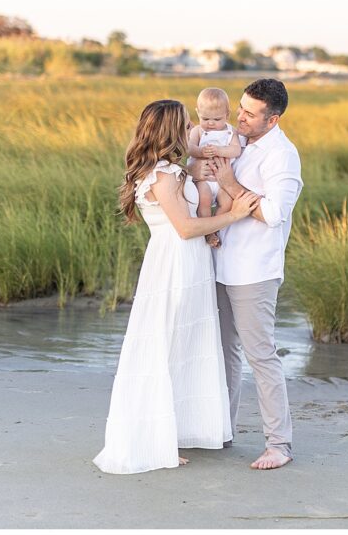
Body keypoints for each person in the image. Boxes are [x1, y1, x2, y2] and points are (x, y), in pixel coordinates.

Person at [93, 99, 259, 475]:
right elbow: (184, 229)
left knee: (186, 343)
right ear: (170, 131)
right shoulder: (163, 175)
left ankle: (178, 429)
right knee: (166, 344)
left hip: (190, 262)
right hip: (174, 263)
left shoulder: (173, 170)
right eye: (185, 125)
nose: (191, 131)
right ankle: (153, 439)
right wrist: (234, 215)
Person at [210, 78, 303, 470]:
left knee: (261, 356)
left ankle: (279, 445)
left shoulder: (282, 155)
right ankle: (222, 430)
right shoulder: (236, 141)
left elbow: (273, 213)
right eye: (241, 108)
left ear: (273, 119)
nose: (240, 117)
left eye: (250, 113)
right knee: (223, 353)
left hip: (254, 270)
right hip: (219, 264)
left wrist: (231, 184)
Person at [187, 88, 242, 249]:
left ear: (227, 115)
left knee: (227, 203)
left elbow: (236, 150)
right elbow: (189, 147)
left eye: (217, 119)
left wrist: (219, 151)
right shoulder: (198, 131)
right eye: (205, 118)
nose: (210, 123)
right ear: (198, 113)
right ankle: (207, 231)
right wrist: (200, 152)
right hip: (204, 179)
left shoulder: (231, 132)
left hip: (222, 181)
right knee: (203, 201)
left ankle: (215, 229)